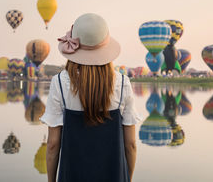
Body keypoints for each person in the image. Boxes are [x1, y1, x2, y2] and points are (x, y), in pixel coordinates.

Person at [40, 13, 141, 182]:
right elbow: (130, 145)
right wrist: (128, 178)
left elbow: (52, 145)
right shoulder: (122, 83)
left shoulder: (59, 82)